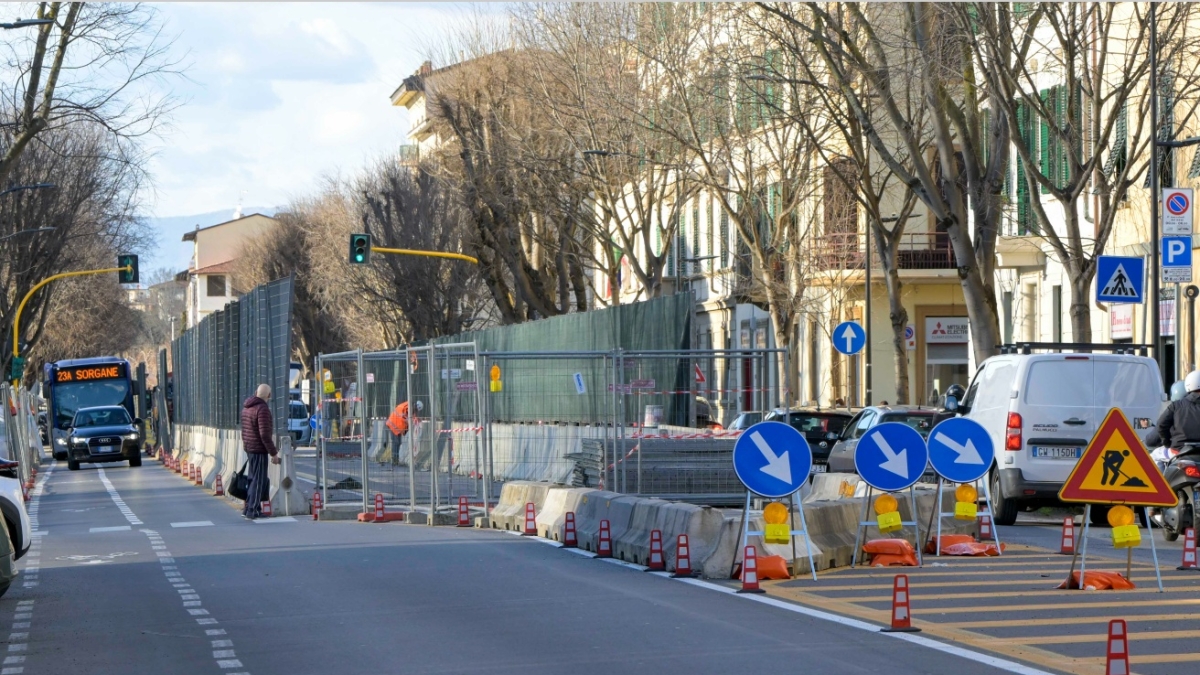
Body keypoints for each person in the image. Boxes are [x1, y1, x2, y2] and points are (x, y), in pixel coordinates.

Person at [241, 384, 281, 520]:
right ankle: (253, 510)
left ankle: (249, 508)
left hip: (249, 447)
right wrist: (273, 453)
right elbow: (264, 434)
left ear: (255, 392)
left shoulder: (247, 408)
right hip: (259, 449)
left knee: (253, 478)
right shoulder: (262, 409)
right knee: (259, 480)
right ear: (269, 396)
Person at [1154, 370, 1200, 453]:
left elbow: (1161, 425)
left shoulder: (1176, 406)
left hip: (1179, 451)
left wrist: (1168, 444)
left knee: (1155, 455)